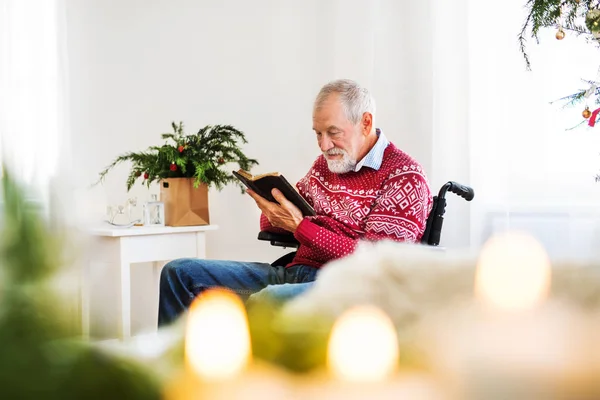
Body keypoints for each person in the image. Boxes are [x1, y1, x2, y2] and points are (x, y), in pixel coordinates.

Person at [158, 79, 433, 326]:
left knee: (267, 301)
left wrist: (302, 227)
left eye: (333, 132)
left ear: (365, 123)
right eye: (318, 133)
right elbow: (278, 226)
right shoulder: (325, 166)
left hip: (351, 286)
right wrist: (272, 210)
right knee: (178, 273)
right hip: (297, 271)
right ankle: (168, 373)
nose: (324, 146)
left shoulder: (404, 177)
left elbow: (378, 264)